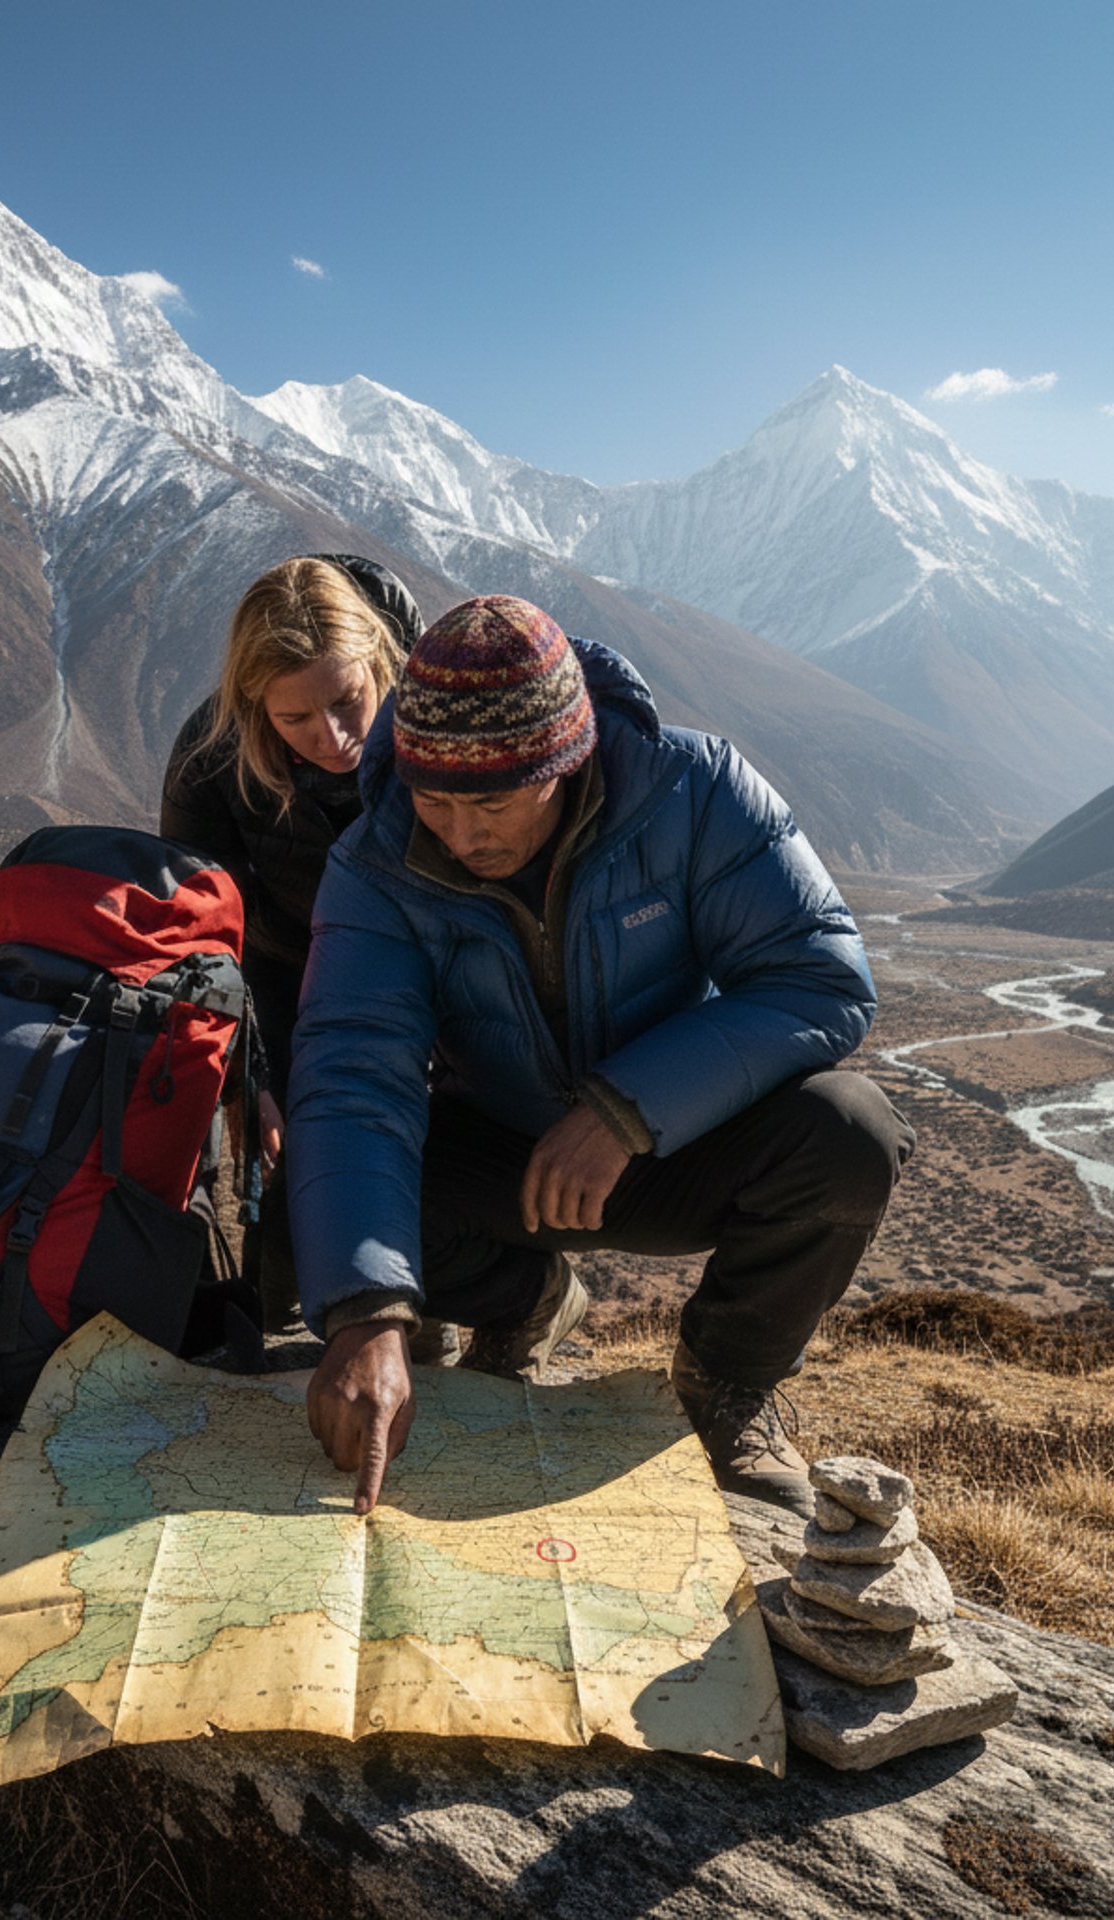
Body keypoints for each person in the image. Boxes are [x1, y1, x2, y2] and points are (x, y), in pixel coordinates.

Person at [285, 595, 915, 1518]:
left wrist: (629, 1110)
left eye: (492, 803)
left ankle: (726, 1385)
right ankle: (525, 1298)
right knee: (313, 1210)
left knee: (850, 1135)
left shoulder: (693, 790)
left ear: (565, 760)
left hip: (674, 1143)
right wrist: (366, 1316)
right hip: (501, 1157)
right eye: (434, 801)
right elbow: (352, 1076)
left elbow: (819, 979)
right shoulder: (378, 860)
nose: (459, 837)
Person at [158, 554, 458, 1361]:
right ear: (252, 705)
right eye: (294, 721)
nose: (333, 738)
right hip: (293, 973)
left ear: (381, 662)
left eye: (348, 701)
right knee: (294, 1144)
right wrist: (245, 1075)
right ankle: (288, 1327)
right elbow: (200, 937)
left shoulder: (451, 709)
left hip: (449, 958)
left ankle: (460, 1316)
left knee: (455, 1139)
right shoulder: (210, 759)